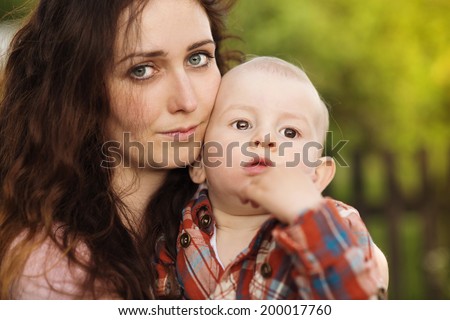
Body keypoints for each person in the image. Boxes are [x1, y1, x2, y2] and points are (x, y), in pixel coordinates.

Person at [0, 0, 239, 299]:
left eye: (197, 58)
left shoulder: (235, 203)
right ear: (79, 92)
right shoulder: (50, 267)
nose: (187, 101)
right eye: (142, 70)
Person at [175, 56, 389, 299]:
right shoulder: (174, 228)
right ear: (200, 163)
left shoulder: (337, 226)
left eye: (290, 132)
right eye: (242, 124)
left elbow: (362, 300)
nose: (265, 137)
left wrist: (308, 213)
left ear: (316, 177)